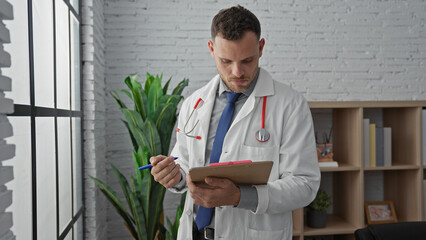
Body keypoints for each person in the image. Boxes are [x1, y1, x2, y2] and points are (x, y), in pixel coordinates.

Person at [150, 5, 320, 240]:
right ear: (211, 49)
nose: (237, 71)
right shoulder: (193, 103)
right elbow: (185, 165)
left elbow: (305, 185)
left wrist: (239, 197)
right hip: (195, 233)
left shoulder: (290, 105)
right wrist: (173, 175)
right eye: (226, 61)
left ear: (261, 48)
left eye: (247, 60)